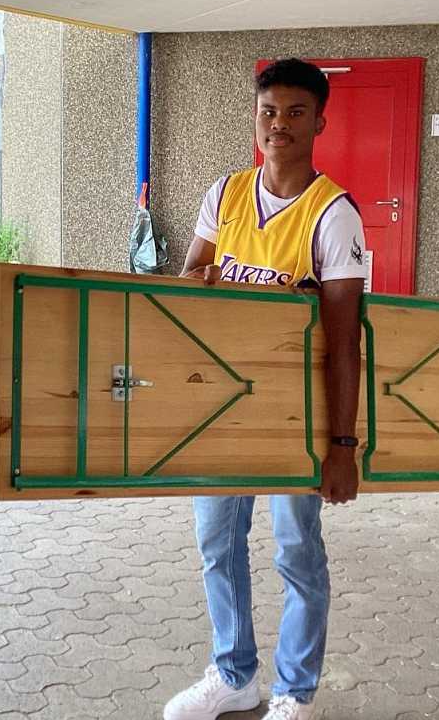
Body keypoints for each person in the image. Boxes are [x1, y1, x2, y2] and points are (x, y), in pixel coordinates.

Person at [164, 58, 367, 720]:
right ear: (256, 118)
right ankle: (234, 675)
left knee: (296, 551)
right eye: (269, 111)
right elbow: (192, 279)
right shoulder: (224, 194)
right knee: (217, 544)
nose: (279, 124)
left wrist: (342, 445)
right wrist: (204, 283)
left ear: (319, 123)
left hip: (295, 416)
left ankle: (295, 692)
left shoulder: (333, 214)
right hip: (222, 407)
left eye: (295, 112)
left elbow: (345, 341)